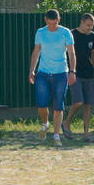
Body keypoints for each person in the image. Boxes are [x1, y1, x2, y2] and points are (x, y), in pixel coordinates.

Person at [29, 9, 76, 145]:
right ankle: (45, 123)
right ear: (45, 20)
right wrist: (32, 70)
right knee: (42, 104)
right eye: (49, 24)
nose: (52, 27)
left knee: (58, 105)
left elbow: (72, 53)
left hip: (61, 73)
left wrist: (72, 71)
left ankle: (56, 135)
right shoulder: (40, 32)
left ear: (58, 20)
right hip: (43, 73)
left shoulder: (65, 32)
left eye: (54, 24)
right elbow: (36, 52)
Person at [67, 13, 94, 140]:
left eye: (92, 25)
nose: (89, 28)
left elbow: (93, 53)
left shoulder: (92, 35)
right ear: (82, 22)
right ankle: (67, 121)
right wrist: (70, 70)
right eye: (88, 25)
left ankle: (86, 133)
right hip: (75, 72)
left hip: (88, 73)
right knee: (78, 101)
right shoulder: (72, 34)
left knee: (88, 104)